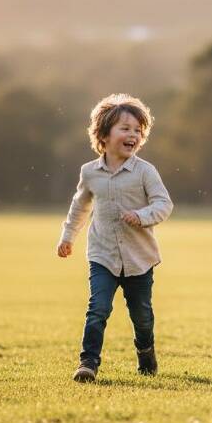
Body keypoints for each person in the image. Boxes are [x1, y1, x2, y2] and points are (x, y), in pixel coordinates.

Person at [57, 93, 173, 382]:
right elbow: (80, 206)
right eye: (125, 128)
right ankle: (88, 363)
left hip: (139, 259)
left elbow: (164, 204)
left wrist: (142, 215)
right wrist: (68, 236)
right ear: (103, 134)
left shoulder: (146, 171)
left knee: (142, 316)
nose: (132, 135)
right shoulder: (90, 172)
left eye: (137, 130)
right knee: (97, 308)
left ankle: (146, 353)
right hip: (103, 255)